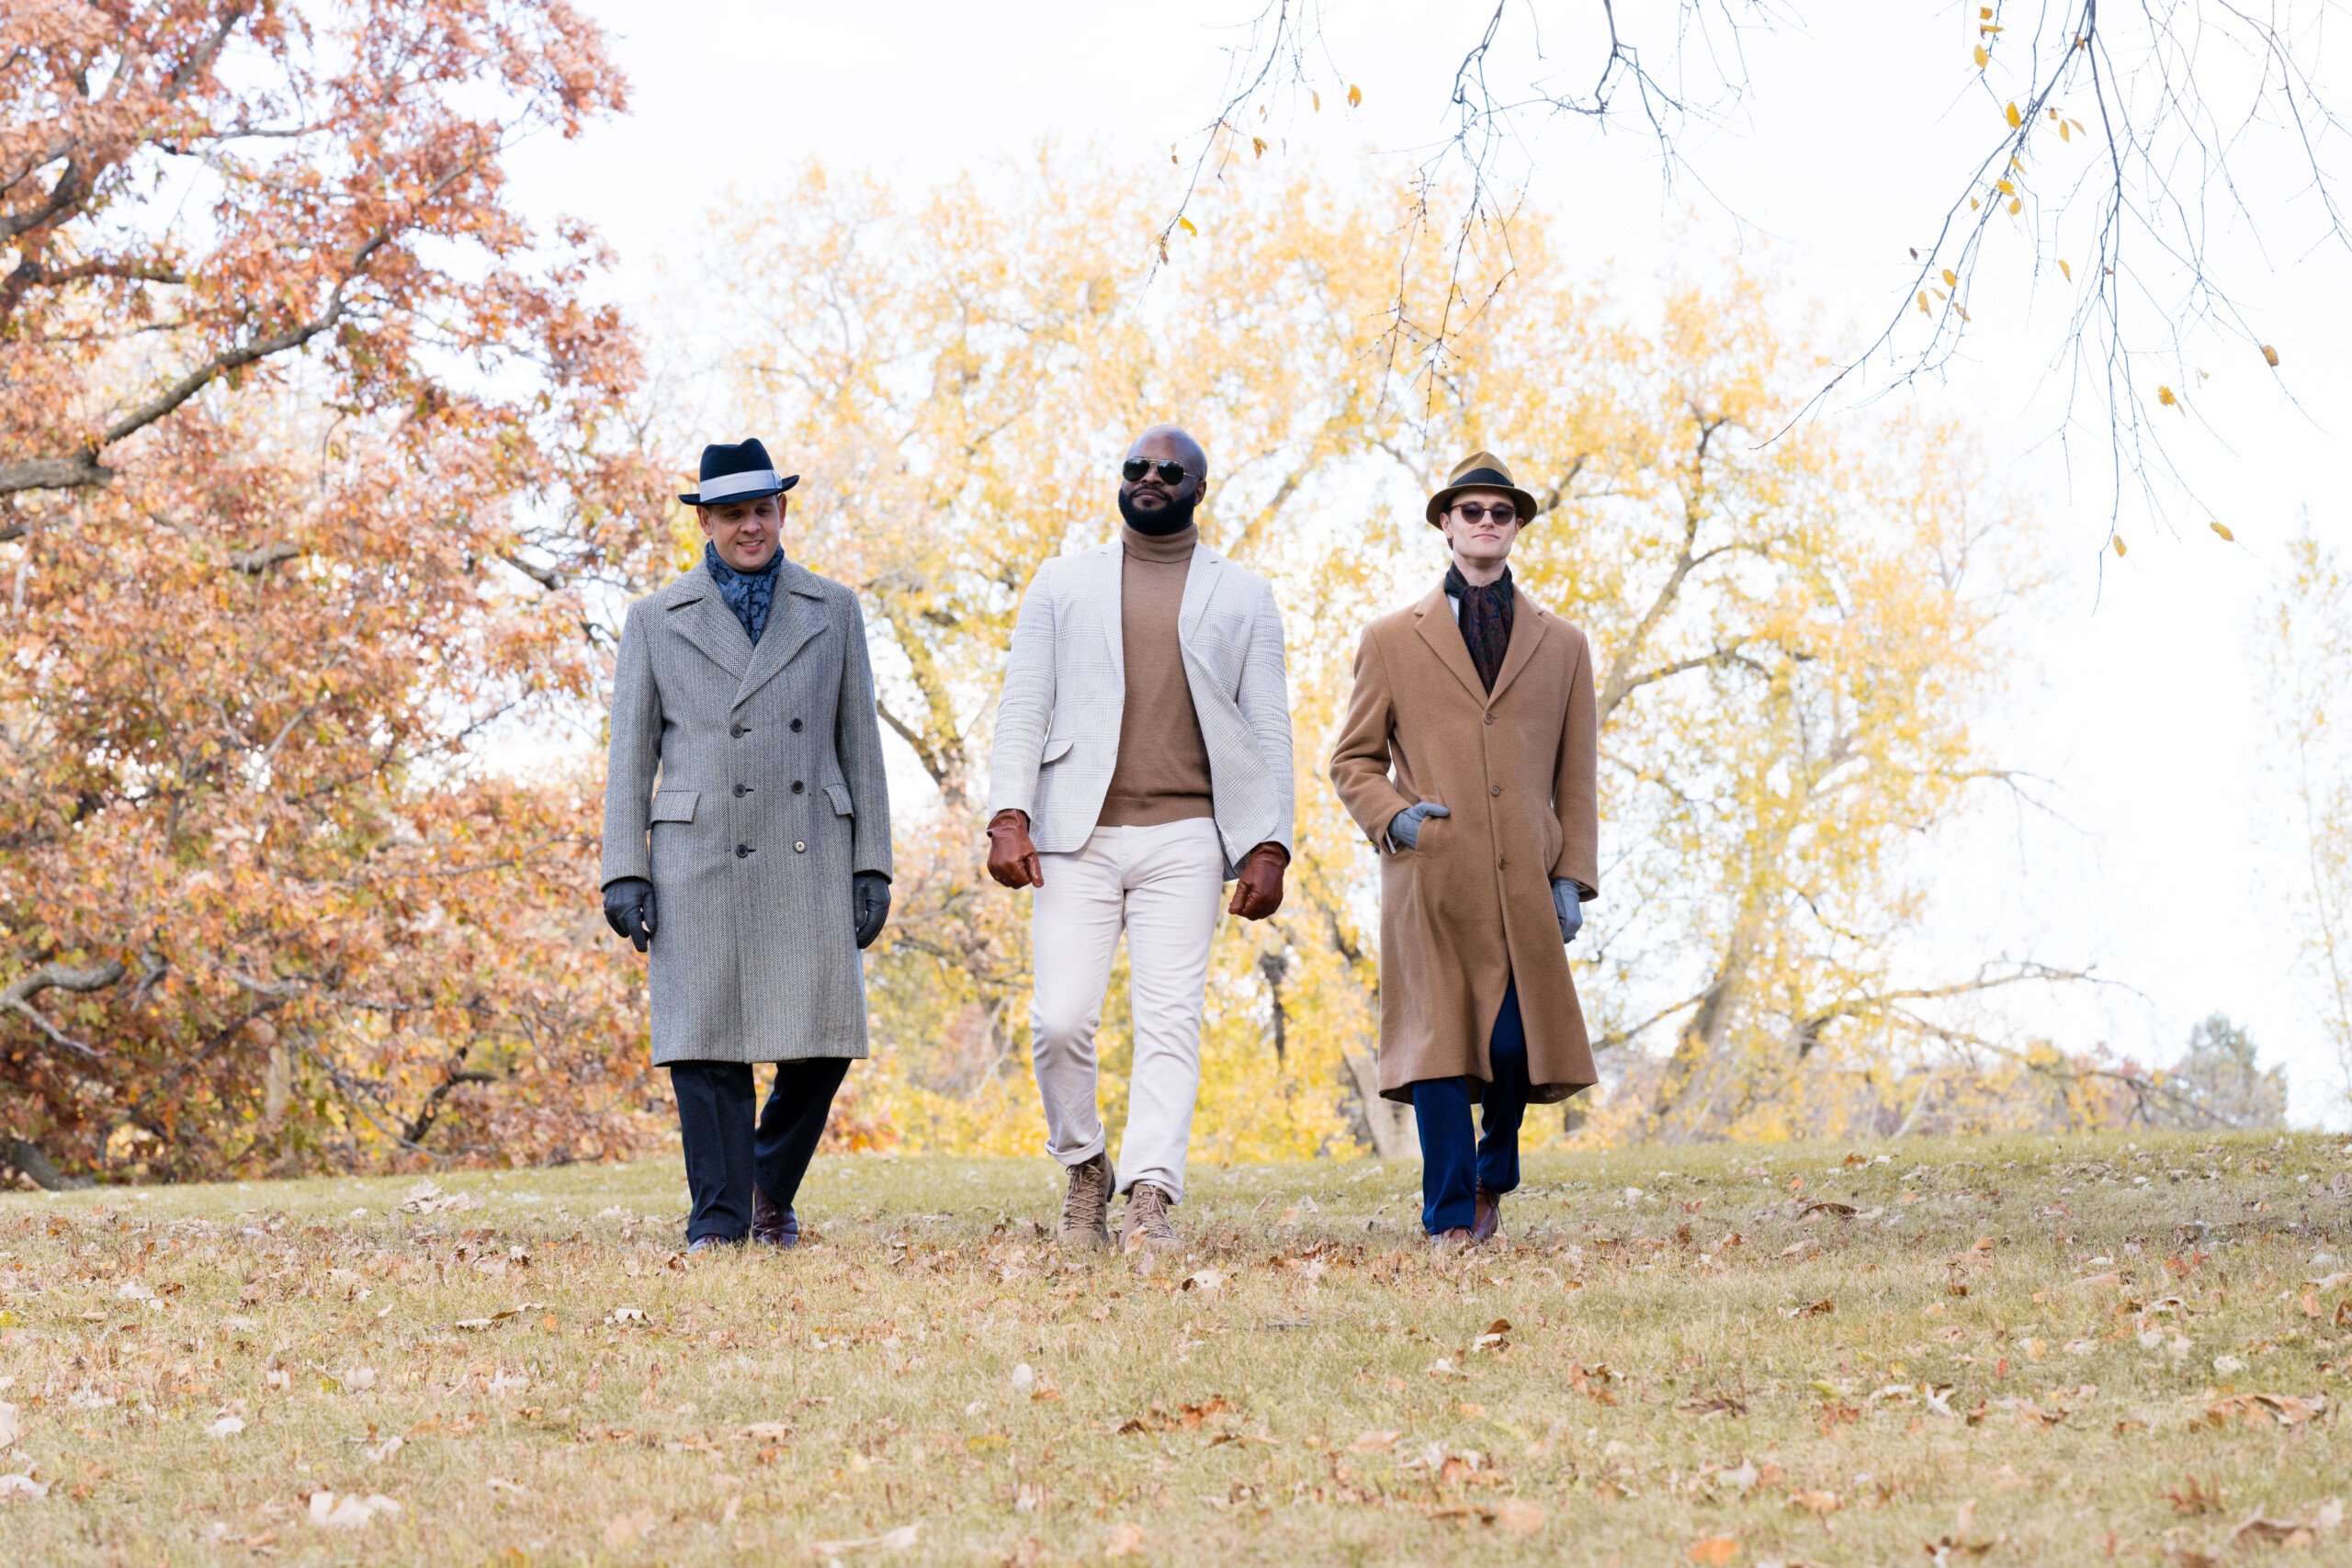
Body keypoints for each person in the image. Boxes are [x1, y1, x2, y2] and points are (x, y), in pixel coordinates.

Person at [985, 424, 1294, 1252]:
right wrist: (1008, 813)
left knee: (1169, 1022)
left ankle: (1151, 1194)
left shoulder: (1245, 594)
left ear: (1199, 487)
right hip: (1074, 838)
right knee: (1059, 1020)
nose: (1149, 478)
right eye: (1135, 468)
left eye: (1170, 470)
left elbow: (1269, 727)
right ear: (1120, 481)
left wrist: (1271, 844)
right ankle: (1086, 1165)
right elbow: (1023, 705)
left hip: (1188, 836)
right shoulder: (1061, 583)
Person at [602, 439, 893, 1254]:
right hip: (698, 849)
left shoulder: (833, 609)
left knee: (825, 1037)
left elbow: (859, 742)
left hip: (811, 844)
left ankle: (767, 1181)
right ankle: (720, 1222)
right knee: (706, 1042)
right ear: (705, 521)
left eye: (762, 509)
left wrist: (874, 862)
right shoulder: (654, 619)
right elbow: (631, 754)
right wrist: (624, 867)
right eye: (733, 513)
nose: (750, 527)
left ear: (782, 512)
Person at [1329, 451, 1600, 1247]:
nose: (1486, 523)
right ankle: (1448, 1219)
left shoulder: (1564, 645)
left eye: (1501, 512)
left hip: (1525, 880)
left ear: (1517, 527)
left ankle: (1495, 1170)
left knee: (1516, 1042)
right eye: (1471, 511)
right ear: (1446, 523)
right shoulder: (1388, 639)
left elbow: (1576, 777)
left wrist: (1572, 877)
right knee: (1440, 1053)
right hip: (1432, 880)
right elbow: (1351, 759)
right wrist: (1396, 818)